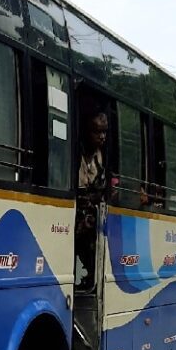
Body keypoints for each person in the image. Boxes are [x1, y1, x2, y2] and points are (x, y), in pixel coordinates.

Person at [75, 109, 109, 290]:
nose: (102, 137)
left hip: (92, 219)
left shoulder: (101, 157)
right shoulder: (73, 152)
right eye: (97, 131)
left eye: (104, 132)